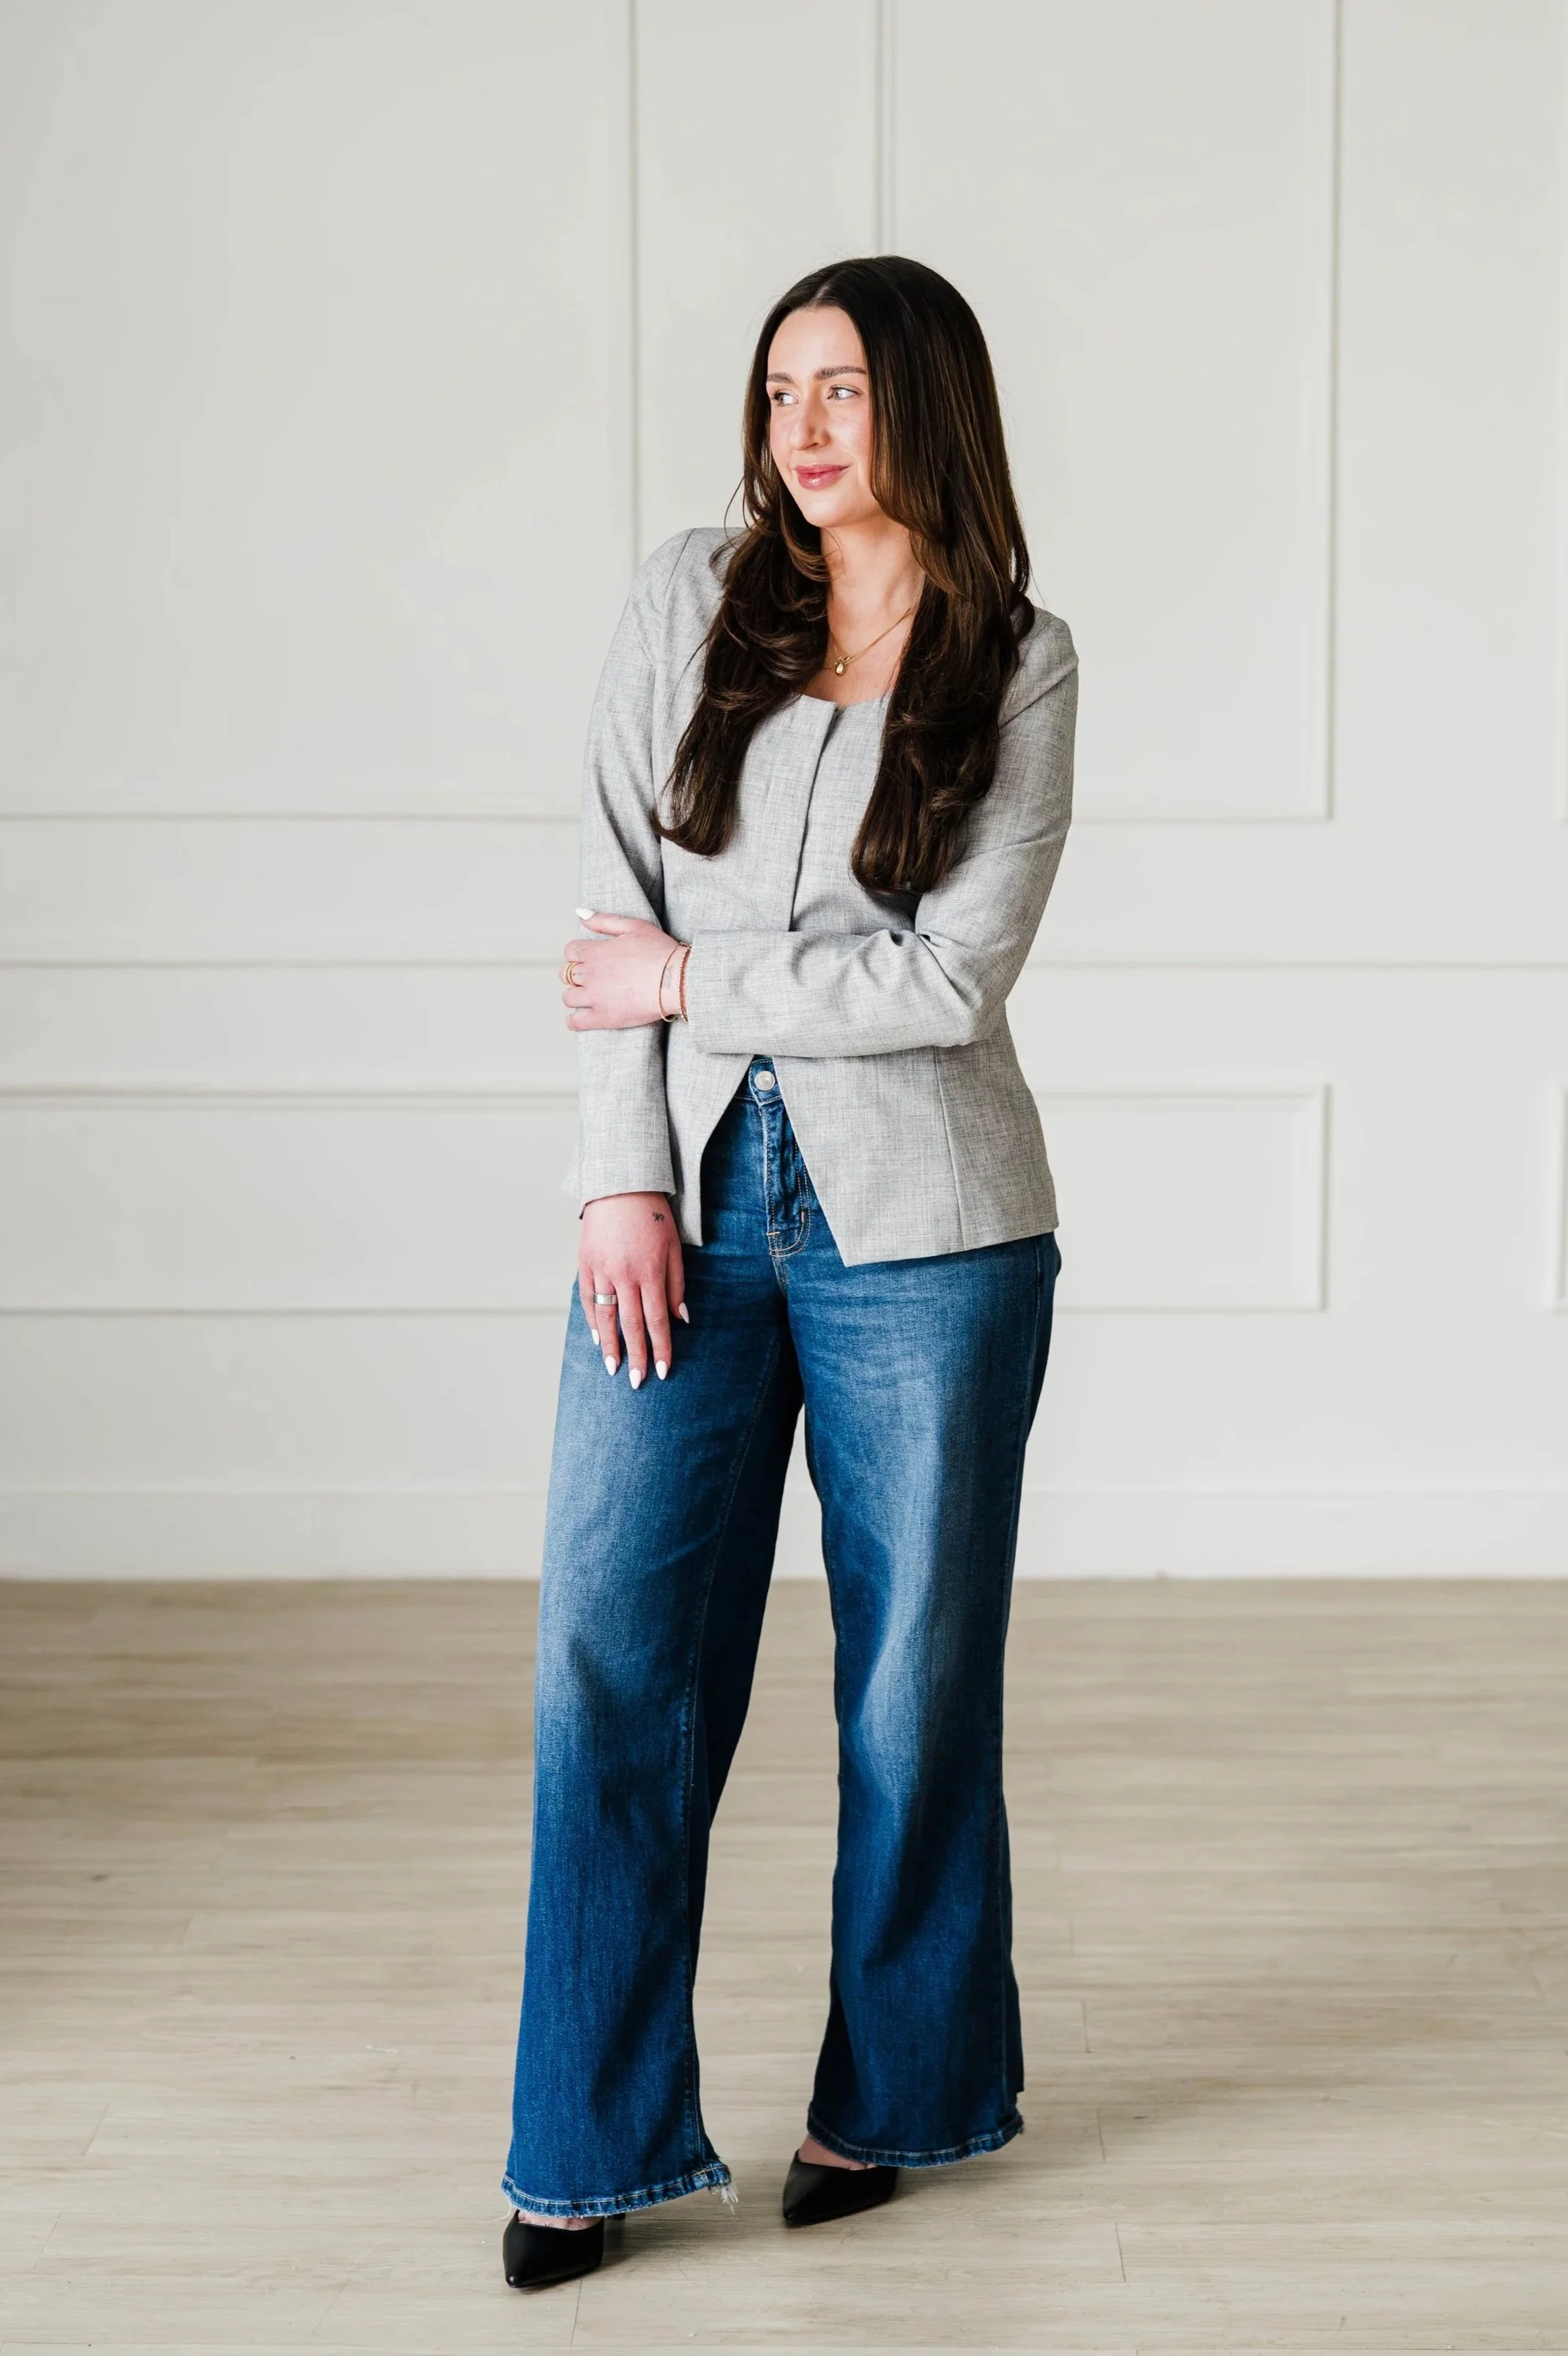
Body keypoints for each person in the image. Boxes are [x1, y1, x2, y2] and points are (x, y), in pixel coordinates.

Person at [501, 254, 1077, 2292]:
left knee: (912, 1684)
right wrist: (618, 1178)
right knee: (610, 1659)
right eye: (777, 393)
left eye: (840, 388)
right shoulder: (688, 598)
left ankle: (897, 2095)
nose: (802, 429)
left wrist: (694, 981)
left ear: (927, 402)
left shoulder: (1017, 660)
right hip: (686, 1208)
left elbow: (946, 982)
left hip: (933, 1234)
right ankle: (583, 2141)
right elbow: (610, 907)